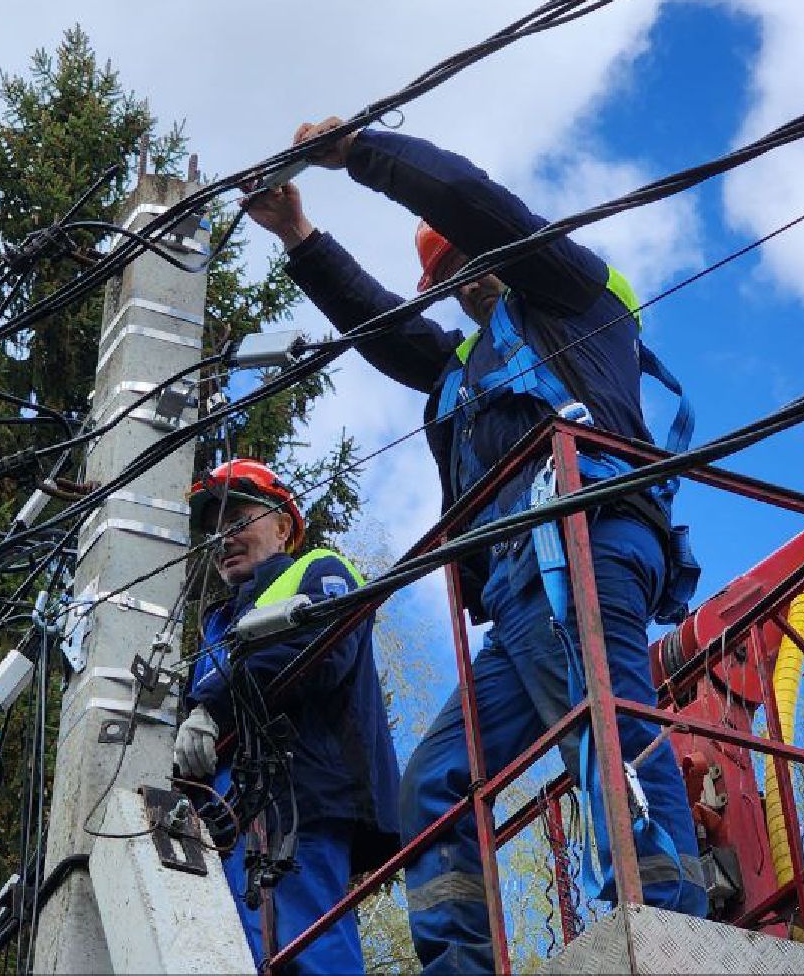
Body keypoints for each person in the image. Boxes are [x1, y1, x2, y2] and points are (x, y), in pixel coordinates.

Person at [244, 121, 708, 973]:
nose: (463, 282)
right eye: (447, 278)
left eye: (468, 261)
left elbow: (464, 197)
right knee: (436, 782)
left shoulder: (573, 294)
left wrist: (361, 153)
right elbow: (383, 329)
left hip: (589, 537)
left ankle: (667, 918)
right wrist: (298, 239)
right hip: (521, 594)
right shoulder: (462, 366)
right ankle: (458, 966)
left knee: (603, 722)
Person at [176, 457, 400, 974]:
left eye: (237, 520)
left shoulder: (320, 569)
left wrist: (213, 708)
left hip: (300, 807)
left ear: (283, 525)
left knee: (305, 950)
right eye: (212, 530)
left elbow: (321, 646)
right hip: (229, 824)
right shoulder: (214, 626)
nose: (222, 538)